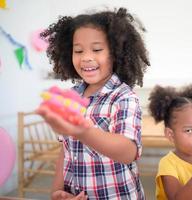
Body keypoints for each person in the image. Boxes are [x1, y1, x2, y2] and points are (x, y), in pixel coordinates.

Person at [36, 7, 150, 200]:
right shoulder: (70, 97)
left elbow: (128, 151)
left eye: (97, 49)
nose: (86, 57)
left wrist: (82, 130)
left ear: (115, 53)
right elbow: (65, 151)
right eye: (78, 50)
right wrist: (57, 191)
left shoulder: (123, 97)